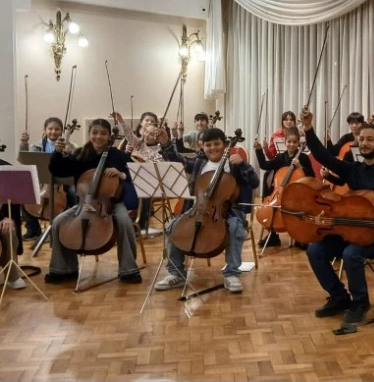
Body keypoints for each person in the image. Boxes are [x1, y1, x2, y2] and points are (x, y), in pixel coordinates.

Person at [300, 105, 374, 327]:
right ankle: (339, 297)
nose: (364, 143)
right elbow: (321, 155)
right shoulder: (353, 169)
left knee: (351, 254)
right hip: (349, 231)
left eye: (369, 139)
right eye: (361, 139)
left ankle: (360, 303)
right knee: (315, 250)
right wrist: (308, 128)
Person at [153, 128, 259, 293]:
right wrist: (166, 142)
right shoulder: (199, 163)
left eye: (217, 143)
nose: (212, 148)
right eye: (208, 145)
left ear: (224, 145)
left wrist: (243, 164)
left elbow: (254, 182)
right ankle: (176, 273)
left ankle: (232, 274)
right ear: (203, 147)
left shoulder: (234, 164)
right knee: (172, 226)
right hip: (197, 210)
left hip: (227, 212)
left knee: (235, 228)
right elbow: (176, 158)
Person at [44, 119, 142, 284]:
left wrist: (121, 174)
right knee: (58, 222)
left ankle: (128, 269)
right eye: (95, 133)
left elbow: (136, 175)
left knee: (124, 221)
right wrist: (57, 153)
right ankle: (63, 269)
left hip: (111, 204)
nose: (99, 137)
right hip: (85, 203)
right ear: (89, 134)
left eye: (103, 133)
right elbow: (58, 170)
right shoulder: (81, 154)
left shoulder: (118, 155)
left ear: (109, 135)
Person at [254, 127, 315, 248]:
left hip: (297, 194)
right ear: (285, 142)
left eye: (294, 142)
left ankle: (299, 236)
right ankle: (273, 235)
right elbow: (264, 165)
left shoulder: (303, 158)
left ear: (298, 143)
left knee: (300, 207)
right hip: (280, 193)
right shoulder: (280, 158)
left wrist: (300, 167)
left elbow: (311, 176)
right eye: (289, 142)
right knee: (273, 207)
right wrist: (259, 151)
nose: (291, 144)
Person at [18, 117, 76, 241]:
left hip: (63, 182)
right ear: (44, 130)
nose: (53, 132)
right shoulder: (36, 146)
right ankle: (33, 230)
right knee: (23, 194)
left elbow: (77, 162)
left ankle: (68, 227)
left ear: (61, 131)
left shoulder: (70, 146)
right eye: (50, 129)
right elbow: (25, 160)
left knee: (73, 193)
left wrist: (69, 153)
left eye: (57, 129)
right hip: (42, 180)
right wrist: (24, 144)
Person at [0, 158, 25, 289]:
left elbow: (13, 203)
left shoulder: (6, 169)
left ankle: (12, 276)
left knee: (9, 230)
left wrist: (7, 218)